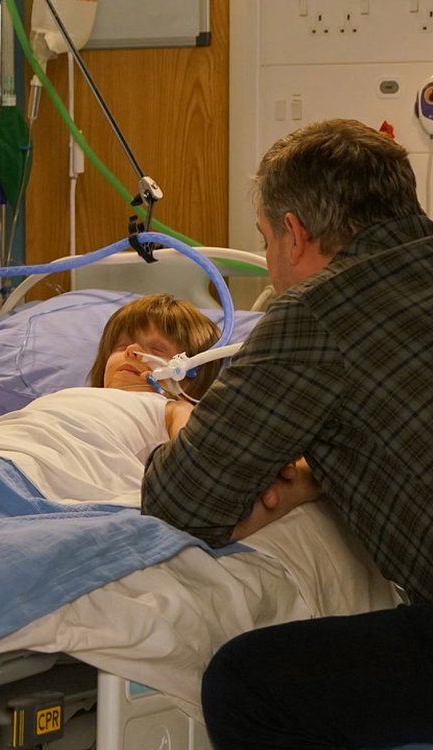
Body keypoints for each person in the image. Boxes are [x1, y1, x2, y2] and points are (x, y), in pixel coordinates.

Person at [140, 119, 433, 748]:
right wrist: (322, 474)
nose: (272, 262)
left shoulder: (316, 315)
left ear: (294, 235)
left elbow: (183, 501)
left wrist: (177, 416)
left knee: (248, 684)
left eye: (267, 241)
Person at [0, 293, 222, 502]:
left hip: (46, 481)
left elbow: (197, 462)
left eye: (156, 350)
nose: (130, 352)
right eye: (120, 346)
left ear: (188, 374)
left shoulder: (173, 408)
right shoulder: (69, 397)